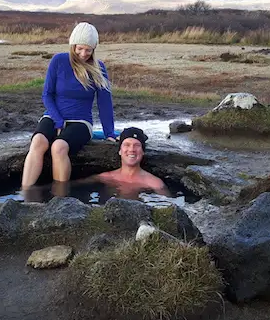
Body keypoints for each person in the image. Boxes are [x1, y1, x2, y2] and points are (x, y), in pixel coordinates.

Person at [21, 22, 116, 192]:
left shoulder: (98, 67)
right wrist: (58, 121)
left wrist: (109, 133)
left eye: (89, 50)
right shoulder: (59, 60)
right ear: (73, 45)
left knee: (59, 147)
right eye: (79, 49)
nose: (83, 54)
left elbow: (105, 103)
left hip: (81, 122)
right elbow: (47, 94)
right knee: (38, 142)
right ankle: (26, 193)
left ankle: (60, 199)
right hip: (53, 116)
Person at [94, 127, 170, 197]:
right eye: (127, 145)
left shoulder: (155, 184)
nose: (131, 149)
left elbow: (170, 207)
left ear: (143, 151)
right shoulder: (104, 177)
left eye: (137, 145)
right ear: (120, 151)